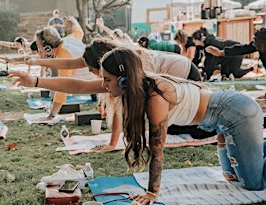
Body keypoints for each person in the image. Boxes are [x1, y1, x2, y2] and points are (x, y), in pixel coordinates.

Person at [10, 48, 266, 205]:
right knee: (233, 177)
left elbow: (158, 150)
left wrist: (152, 192)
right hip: (222, 124)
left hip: (238, 115)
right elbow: (77, 86)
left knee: (253, 184)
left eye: (107, 80)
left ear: (122, 79)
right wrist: (34, 81)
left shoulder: (155, 96)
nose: (104, 85)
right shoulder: (132, 83)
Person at [12, 38, 211, 151]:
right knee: (173, 127)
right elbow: (74, 76)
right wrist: (35, 71)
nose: (91, 75)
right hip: (175, 80)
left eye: (92, 70)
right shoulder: (108, 59)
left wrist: (113, 142)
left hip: (186, 76)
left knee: (192, 126)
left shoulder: (132, 67)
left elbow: (117, 107)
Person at [2, 16, 93, 121]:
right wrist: (73, 21)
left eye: (39, 45)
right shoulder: (67, 41)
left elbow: (62, 88)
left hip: (97, 81)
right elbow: (78, 31)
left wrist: (51, 116)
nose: (38, 49)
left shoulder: (64, 56)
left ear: (47, 48)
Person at [204, 28, 266, 98]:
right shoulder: (260, 45)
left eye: (258, 46)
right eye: (255, 45)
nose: (256, 47)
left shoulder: (264, 44)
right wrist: (221, 53)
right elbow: (242, 49)